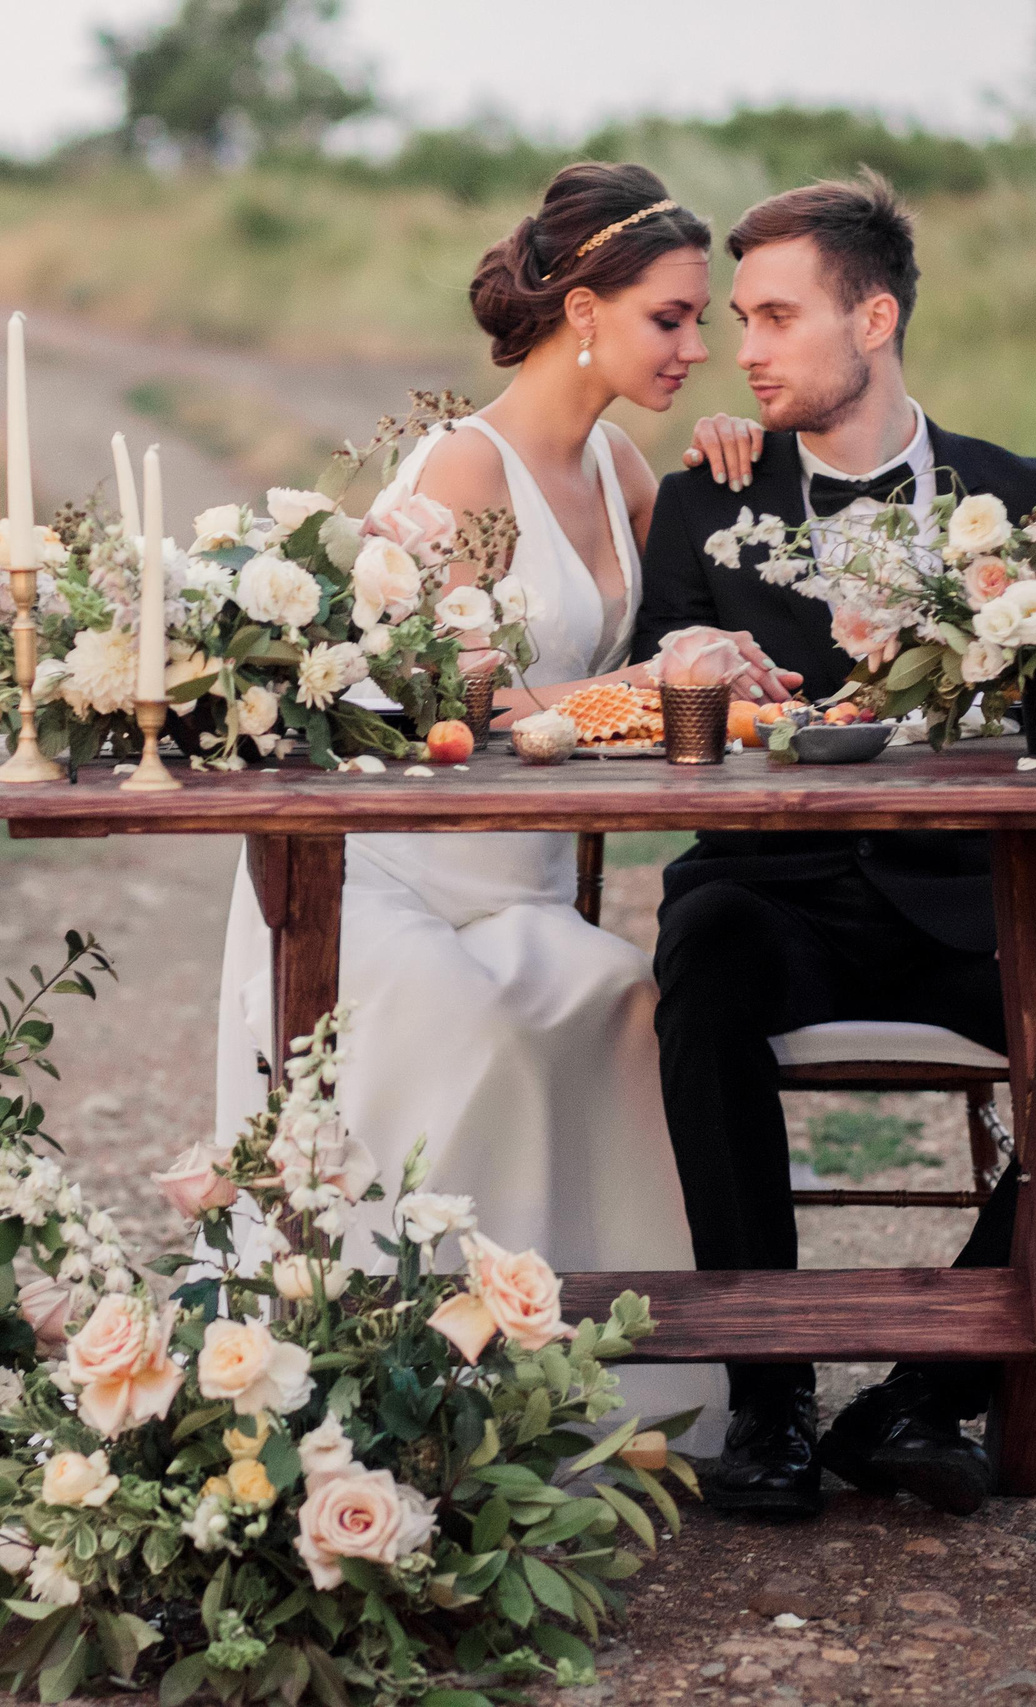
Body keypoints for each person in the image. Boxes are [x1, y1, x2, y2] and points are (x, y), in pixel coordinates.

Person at [632, 171, 1036, 1521]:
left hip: (973, 909)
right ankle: (769, 1395)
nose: (747, 346)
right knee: (705, 956)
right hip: (769, 897)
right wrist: (686, 659)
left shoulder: (1029, 500)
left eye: (778, 316)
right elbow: (632, 689)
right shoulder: (706, 500)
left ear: (877, 316)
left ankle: (932, 1383)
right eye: (739, 317)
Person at [213, 162, 730, 1449]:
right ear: (584, 311)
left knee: (626, 1001)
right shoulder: (461, 469)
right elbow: (419, 706)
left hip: (526, 890)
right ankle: (416, 1387)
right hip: (396, 881)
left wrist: (739, 470)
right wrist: (622, 684)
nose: (697, 345)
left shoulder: (620, 466)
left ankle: (609, 1380)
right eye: (672, 316)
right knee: (475, 1029)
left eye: (701, 318)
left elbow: (688, 622)